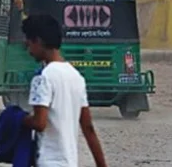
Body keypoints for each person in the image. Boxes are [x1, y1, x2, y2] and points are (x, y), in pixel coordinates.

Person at [21, 14, 107, 167]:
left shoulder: (43, 77)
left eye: (28, 45)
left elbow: (40, 123)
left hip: (48, 161)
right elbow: (88, 128)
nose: (29, 51)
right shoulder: (76, 77)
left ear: (38, 41)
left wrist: (17, 119)